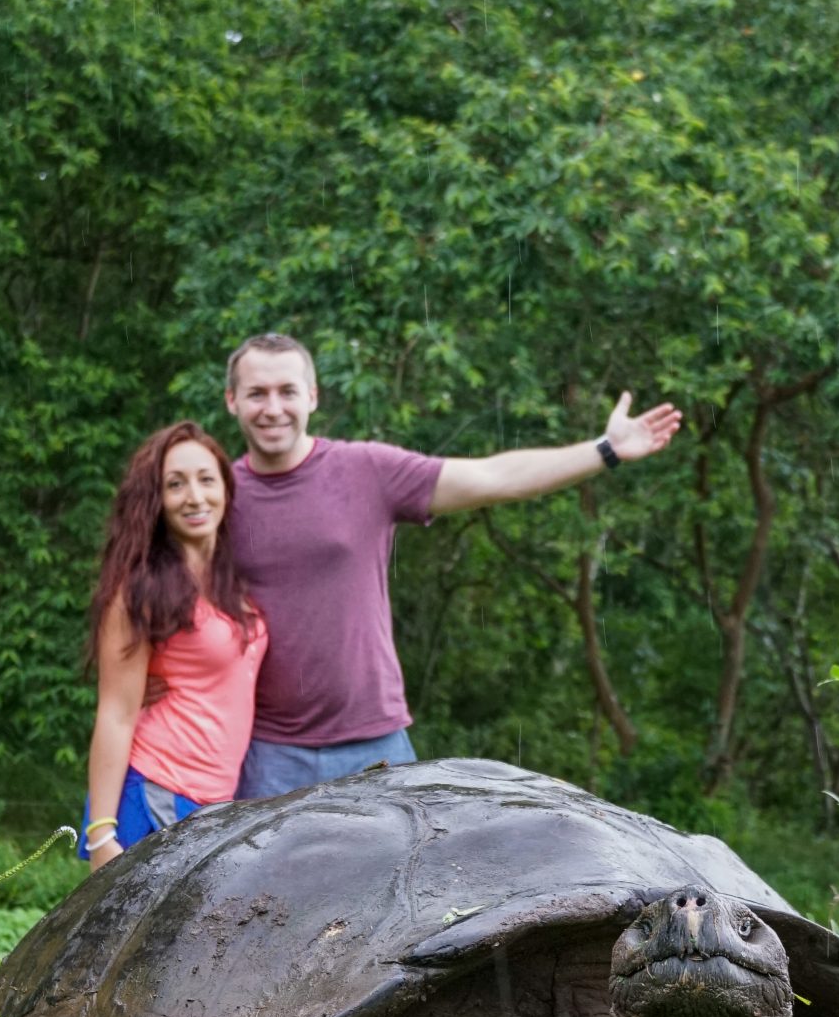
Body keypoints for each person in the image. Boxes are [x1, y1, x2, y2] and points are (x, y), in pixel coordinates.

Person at [223, 332, 680, 800]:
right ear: (232, 401)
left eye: (287, 391)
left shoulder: (366, 471)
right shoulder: (216, 497)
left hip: (373, 745)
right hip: (267, 753)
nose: (273, 408)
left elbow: (494, 477)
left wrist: (605, 450)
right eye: (257, 393)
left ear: (313, 397)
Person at [79, 422, 267, 868]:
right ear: (156, 500)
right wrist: (101, 833)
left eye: (206, 479)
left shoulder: (230, 582)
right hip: (156, 791)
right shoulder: (140, 591)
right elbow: (116, 712)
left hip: (213, 801)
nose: (195, 497)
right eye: (175, 484)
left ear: (225, 486)